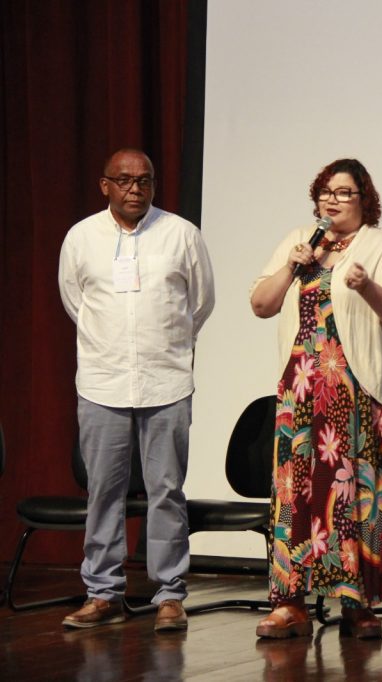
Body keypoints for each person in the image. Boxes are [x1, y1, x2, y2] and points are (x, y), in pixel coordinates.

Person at [250, 158, 382, 639]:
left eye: (344, 193)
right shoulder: (300, 241)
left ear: (365, 200)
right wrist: (291, 265)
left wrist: (365, 286)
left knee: (351, 495)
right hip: (300, 389)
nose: (332, 200)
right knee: (296, 494)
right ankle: (291, 603)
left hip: (354, 389)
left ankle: (357, 603)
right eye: (326, 191)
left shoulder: (381, 245)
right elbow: (262, 305)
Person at [58, 148, 215, 631]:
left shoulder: (181, 234)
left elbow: (201, 304)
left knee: (167, 491)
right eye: (124, 181)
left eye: (144, 181)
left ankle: (170, 595)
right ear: (105, 185)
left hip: (165, 382)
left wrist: (165, 345)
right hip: (103, 382)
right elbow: (75, 302)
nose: (135, 190)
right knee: (103, 492)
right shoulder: (81, 237)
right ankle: (102, 592)